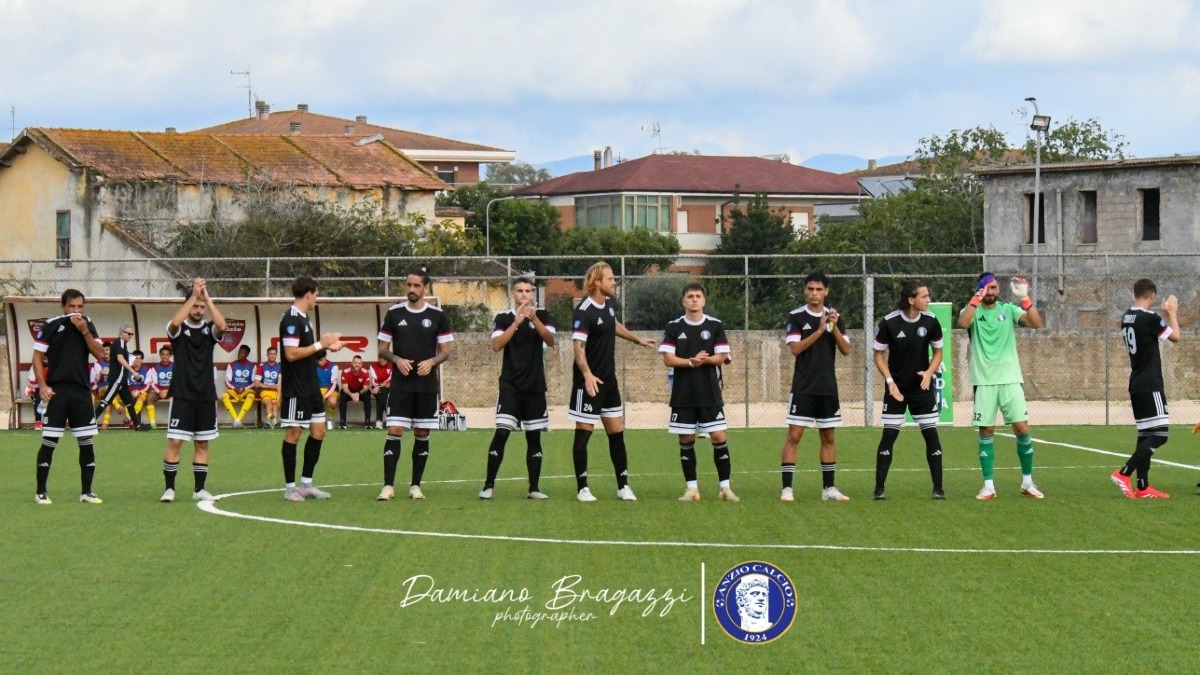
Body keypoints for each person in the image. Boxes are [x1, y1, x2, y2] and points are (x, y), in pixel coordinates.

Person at [568, 261, 656, 502]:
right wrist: (586, 374)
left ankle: (623, 486)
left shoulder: (607, 305)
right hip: (588, 382)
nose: (614, 282)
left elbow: (613, 325)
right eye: (610, 278)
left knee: (616, 433)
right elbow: (578, 347)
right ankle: (582, 487)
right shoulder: (583, 310)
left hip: (609, 381)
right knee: (584, 433)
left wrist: (636, 339)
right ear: (597, 281)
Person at [957, 272, 1044, 500]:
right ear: (980, 290)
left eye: (994, 288)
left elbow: (1036, 323)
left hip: (1010, 378)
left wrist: (1025, 298)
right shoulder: (972, 311)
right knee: (986, 431)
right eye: (988, 288)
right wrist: (976, 297)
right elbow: (962, 322)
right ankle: (988, 486)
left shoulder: (1008, 310)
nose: (992, 292)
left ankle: (1027, 482)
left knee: (1022, 428)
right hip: (984, 381)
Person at [376, 267, 453, 501]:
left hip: (426, 385)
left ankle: (415, 486)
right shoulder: (394, 313)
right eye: (408, 285)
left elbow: (446, 352)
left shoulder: (438, 316)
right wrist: (396, 360)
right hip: (400, 385)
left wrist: (432, 361)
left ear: (425, 288)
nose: (411, 289)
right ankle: (388, 486)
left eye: (416, 285)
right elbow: (381, 349)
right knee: (395, 429)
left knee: (421, 432)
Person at [659, 282, 738, 502]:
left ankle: (725, 488)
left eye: (698, 296)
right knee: (685, 438)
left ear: (704, 300)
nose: (694, 299)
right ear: (683, 301)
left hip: (709, 392)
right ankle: (691, 489)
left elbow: (721, 356)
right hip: (683, 394)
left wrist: (704, 360)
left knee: (719, 436)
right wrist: (691, 362)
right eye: (690, 296)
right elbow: (668, 359)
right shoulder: (674, 327)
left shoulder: (715, 325)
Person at [479, 277, 555, 500]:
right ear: (513, 294)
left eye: (528, 291)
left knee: (534, 437)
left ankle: (534, 488)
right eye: (520, 291)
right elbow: (496, 345)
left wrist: (534, 320)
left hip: (534, 386)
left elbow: (550, 340)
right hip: (510, 385)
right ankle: (488, 486)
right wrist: (517, 322)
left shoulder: (542, 316)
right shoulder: (503, 318)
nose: (524, 295)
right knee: (502, 432)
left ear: (532, 294)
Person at [779, 272, 852, 502]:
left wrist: (833, 328)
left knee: (828, 436)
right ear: (804, 290)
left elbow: (846, 350)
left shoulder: (835, 317)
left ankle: (829, 488)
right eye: (810, 289)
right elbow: (795, 349)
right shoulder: (796, 317)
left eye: (819, 289)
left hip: (827, 387)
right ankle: (787, 488)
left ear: (826, 292)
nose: (814, 293)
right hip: (803, 386)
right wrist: (820, 330)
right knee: (795, 435)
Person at [32, 288, 108, 504]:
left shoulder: (88, 323)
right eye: (72, 306)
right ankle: (41, 492)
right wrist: (42, 384)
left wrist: (85, 331)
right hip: (57, 390)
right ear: (63, 306)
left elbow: (100, 354)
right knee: (49, 441)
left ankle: (86, 492)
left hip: (81, 391)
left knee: (86, 441)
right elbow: (37, 357)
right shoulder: (52, 325)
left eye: (80, 307)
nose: (75, 311)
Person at [872, 281, 946, 500]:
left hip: (920, 388)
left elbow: (938, 352)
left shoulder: (931, 321)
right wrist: (890, 382)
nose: (929, 299)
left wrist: (929, 372)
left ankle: (939, 489)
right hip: (897, 389)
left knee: (931, 434)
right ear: (911, 300)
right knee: (889, 435)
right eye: (924, 296)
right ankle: (879, 489)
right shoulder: (889, 322)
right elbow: (878, 355)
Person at [1111, 279, 1180, 499]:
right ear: (1152, 295)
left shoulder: (1127, 317)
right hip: (1150, 383)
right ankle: (1124, 473)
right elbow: (1175, 337)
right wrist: (1172, 313)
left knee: (1145, 434)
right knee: (1161, 434)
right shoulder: (1149, 318)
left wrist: (1162, 317)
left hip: (1136, 382)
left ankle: (1143, 487)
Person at [160, 279, 227, 502]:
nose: (198, 310)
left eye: (201, 307)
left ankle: (199, 489)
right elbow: (175, 323)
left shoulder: (209, 330)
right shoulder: (178, 330)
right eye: (195, 306)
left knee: (202, 443)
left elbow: (223, 326)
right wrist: (193, 296)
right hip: (182, 394)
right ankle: (169, 488)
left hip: (205, 395)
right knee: (175, 442)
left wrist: (206, 297)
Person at [279, 276, 344, 501]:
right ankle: (290, 488)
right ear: (308, 294)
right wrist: (320, 344)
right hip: (296, 387)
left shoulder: (305, 319)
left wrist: (327, 348)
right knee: (294, 433)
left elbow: (307, 350)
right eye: (316, 294)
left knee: (319, 431)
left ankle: (306, 485)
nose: (317, 298)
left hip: (311, 386)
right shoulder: (291, 319)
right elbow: (291, 353)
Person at [94, 323, 146, 431]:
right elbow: (120, 358)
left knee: (130, 403)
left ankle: (138, 425)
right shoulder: (119, 342)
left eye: (132, 334)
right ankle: (89, 422)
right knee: (106, 401)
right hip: (117, 379)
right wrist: (133, 372)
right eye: (129, 334)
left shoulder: (122, 344)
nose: (130, 336)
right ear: (122, 333)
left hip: (122, 380)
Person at [221, 345, 257, 428]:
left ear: (247, 355)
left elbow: (254, 382)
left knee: (251, 395)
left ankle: (238, 419)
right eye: (239, 352)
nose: (240, 354)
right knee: (225, 396)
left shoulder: (252, 366)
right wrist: (234, 388)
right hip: (234, 390)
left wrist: (245, 388)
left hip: (246, 390)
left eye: (243, 353)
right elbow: (227, 380)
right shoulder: (232, 365)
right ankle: (236, 419)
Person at [339, 355, 373, 428]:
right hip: (349, 391)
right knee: (342, 396)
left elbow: (365, 388)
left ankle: (367, 422)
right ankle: (342, 422)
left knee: (367, 396)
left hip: (361, 391)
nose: (357, 365)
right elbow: (345, 388)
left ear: (362, 364)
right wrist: (351, 395)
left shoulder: (365, 372)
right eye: (355, 362)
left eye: (359, 363)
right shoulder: (345, 371)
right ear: (352, 363)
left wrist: (358, 394)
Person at [144, 346, 173, 429]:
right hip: (160, 391)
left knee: (181, 396)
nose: (165, 356)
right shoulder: (155, 367)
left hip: (171, 391)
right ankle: (153, 423)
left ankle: (178, 423)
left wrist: (169, 391)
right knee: (150, 396)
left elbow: (177, 381)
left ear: (170, 356)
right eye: (163, 354)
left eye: (167, 354)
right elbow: (152, 382)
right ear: (160, 355)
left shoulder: (175, 366)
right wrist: (159, 391)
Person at [254, 347, 282, 429]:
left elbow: (279, 384)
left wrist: (278, 396)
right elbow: (256, 384)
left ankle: (272, 422)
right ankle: (272, 420)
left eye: (274, 354)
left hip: (276, 391)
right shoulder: (261, 366)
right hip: (265, 391)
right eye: (270, 354)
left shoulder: (280, 367)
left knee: (275, 403)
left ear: (276, 355)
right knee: (268, 402)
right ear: (267, 355)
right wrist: (271, 386)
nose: (272, 356)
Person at [316, 354, 340, 428]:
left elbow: (333, 384)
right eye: (317, 361)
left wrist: (325, 396)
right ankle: (315, 421)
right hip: (318, 389)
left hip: (331, 389)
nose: (319, 362)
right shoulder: (313, 366)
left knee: (332, 401)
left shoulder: (333, 367)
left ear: (325, 357)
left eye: (320, 360)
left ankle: (331, 418)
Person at [368, 355, 392, 429]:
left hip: (388, 388)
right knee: (381, 394)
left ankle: (379, 421)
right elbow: (374, 381)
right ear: (378, 358)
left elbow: (391, 378)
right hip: (376, 388)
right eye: (381, 358)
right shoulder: (373, 366)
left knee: (382, 395)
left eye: (384, 358)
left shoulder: (392, 366)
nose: (383, 360)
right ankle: (389, 420)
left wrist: (382, 385)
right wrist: (383, 385)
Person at [26, 364, 48, 430]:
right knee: (38, 398)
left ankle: (49, 422)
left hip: (49, 388)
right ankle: (38, 422)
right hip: (36, 388)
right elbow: (32, 382)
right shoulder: (35, 366)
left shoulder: (54, 364)